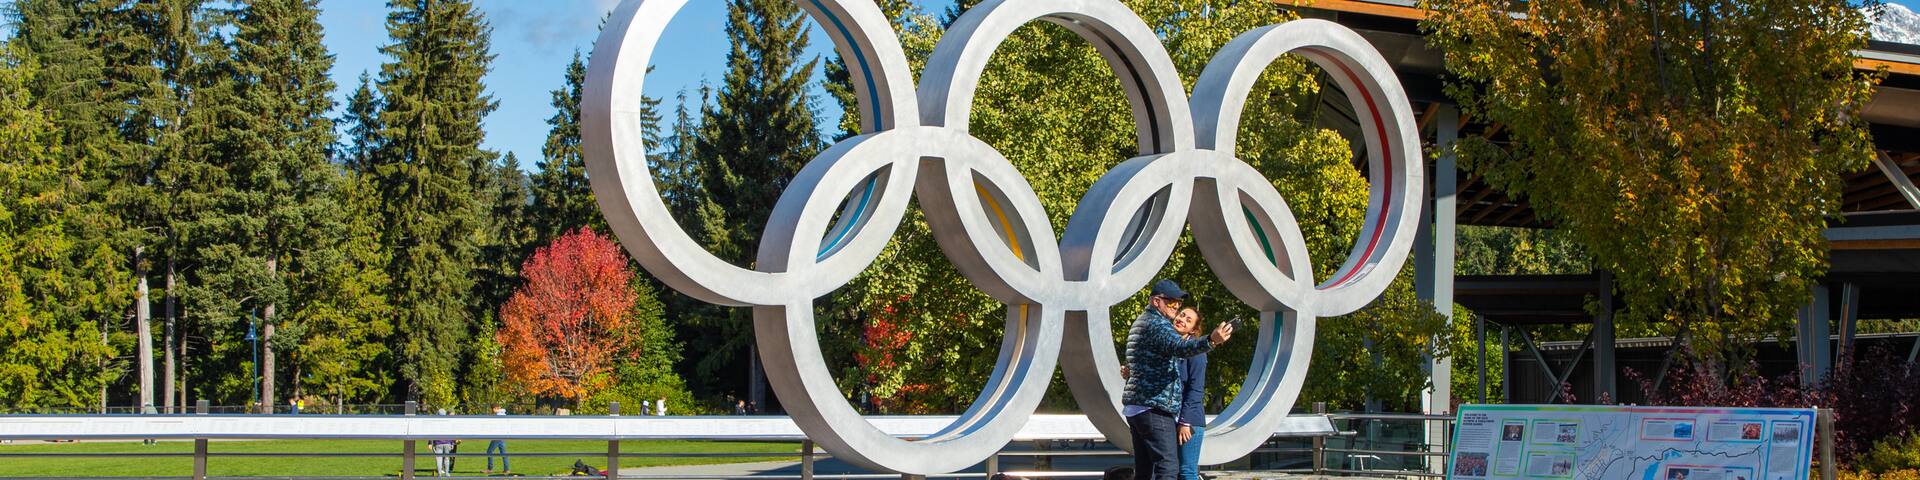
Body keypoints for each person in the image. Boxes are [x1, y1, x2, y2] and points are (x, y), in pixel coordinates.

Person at [1124, 279, 1233, 480]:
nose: (1176, 308)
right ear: (1156, 302)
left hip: (1139, 407)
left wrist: (1133, 372)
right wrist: (1211, 341)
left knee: (1145, 470)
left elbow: (1143, 358)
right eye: (1172, 303)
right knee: (1168, 469)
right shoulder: (1158, 324)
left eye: (1179, 304)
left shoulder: (1143, 322)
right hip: (1154, 407)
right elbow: (1181, 349)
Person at [1173, 308, 1209, 480]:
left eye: (1188, 320)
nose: (1182, 320)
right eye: (1181, 315)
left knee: (1187, 471)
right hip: (1169, 418)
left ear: (1193, 330)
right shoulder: (1168, 345)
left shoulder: (1196, 352)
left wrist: (1185, 421)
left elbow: (1196, 389)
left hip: (1189, 421)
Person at [429, 409, 458, 477]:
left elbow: (432, 433)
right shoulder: (448, 422)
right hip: (448, 442)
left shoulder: (435, 423)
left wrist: (430, 443)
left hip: (438, 443)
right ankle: (447, 473)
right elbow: (451, 433)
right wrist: (452, 443)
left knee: (439, 459)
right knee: (447, 458)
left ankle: (439, 474)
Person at [485, 405, 510, 474]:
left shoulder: (498, 415)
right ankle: (507, 469)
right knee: (503, 453)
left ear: (495, 408)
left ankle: (490, 469)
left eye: (492, 409)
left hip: (497, 436)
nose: (492, 411)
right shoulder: (503, 414)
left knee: (489, 451)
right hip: (502, 436)